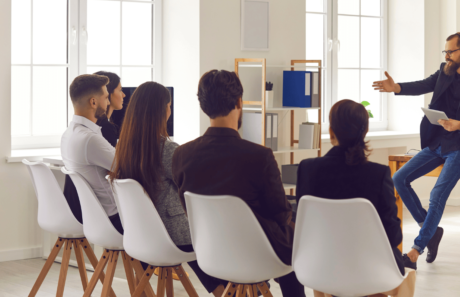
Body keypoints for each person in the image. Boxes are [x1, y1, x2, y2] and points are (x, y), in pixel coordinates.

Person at [172, 70, 306, 297]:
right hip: (258, 254)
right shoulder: (259, 156)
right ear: (238, 102)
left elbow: (190, 212)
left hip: (211, 253)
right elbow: (281, 214)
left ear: (203, 106)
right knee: (296, 232)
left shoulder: (181, 155)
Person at [372, 32, 460, 265]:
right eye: (446, 52)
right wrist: (396, 87)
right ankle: (431, 231)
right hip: (437, 142)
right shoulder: (444, 71)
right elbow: (422, 85)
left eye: (451, 51)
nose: (447, 56)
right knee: (398, 178)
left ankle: (414, 251)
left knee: (437, 194)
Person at [108, 82, 225, 296]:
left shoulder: (123, 149)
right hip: (173, 237)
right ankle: (229, 290)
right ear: (164, 110)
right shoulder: (168, 149)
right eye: (169, 106)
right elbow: (195, 189)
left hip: (140, 236)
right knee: (216, 237)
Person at [296, 99, 415, 297]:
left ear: (331, 131)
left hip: (319, 267)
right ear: (365, 132)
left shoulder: (307, 169)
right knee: (407, 273)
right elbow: (393, 236)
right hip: (369, 272)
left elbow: (302, 226)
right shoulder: (379, 174)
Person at [61, 74, 124, 233]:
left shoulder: (68, 134)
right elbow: (126, 166)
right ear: (93, 102)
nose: (108, 102)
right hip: (114, 219)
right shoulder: (90, 139)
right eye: (105, 97)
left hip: (95, 217)